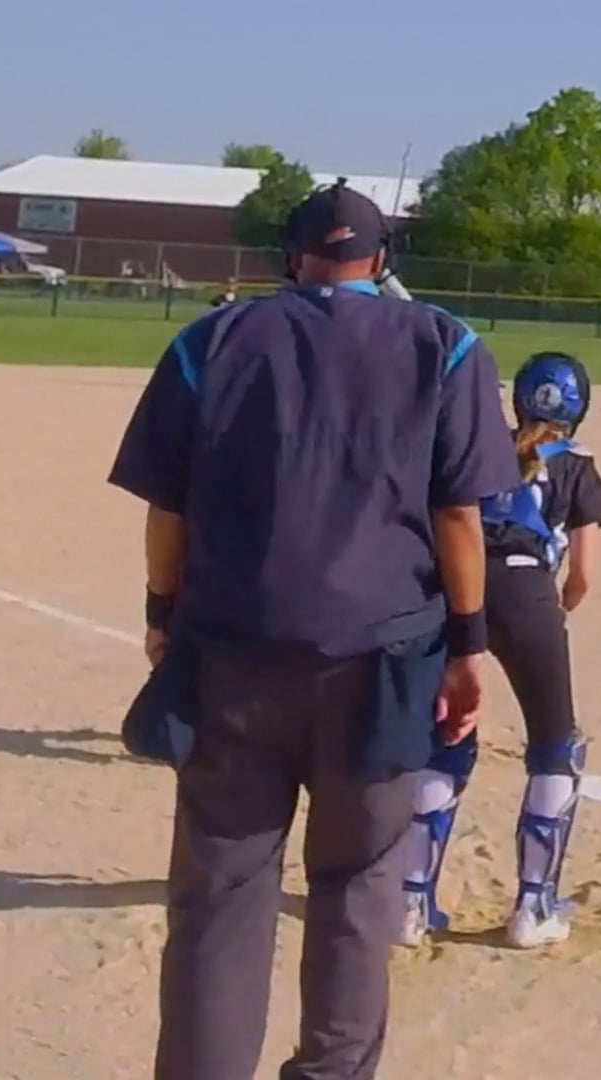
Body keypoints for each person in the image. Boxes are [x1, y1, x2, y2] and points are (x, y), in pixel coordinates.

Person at [107, 180, 519, 1079]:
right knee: (358, 888)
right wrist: (469, 646)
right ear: (382, 259)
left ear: (292, 258)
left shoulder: (211, 340)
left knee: (221, 893)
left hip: (234, 650)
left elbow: (166, 511)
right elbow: (458, 515)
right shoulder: (446, 345)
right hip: (382, 659)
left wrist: (161, 614)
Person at [401, 351, 601, 951]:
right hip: (528, 596)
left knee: (446, 737)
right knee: (555, 746)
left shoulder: (481, 447)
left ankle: (410, 903)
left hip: (456, 593)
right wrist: (556, 609)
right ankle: (533, 907)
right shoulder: (576, 462)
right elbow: (582, 575)